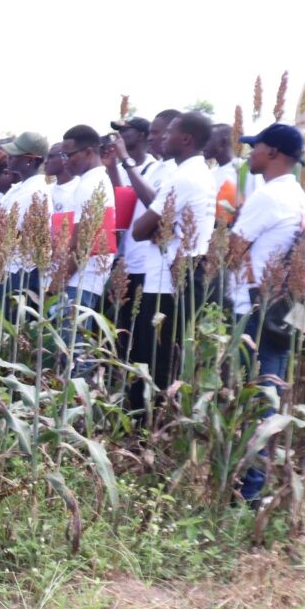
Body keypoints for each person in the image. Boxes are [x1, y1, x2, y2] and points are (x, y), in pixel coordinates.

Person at [229, 123, 305, 505]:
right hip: (281, 313)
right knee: (266, 399)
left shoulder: (270, 196)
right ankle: (253, 489)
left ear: (273, 152)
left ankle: (247, 493)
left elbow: (233, 249)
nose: (250, 153)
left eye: (255, 147)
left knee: (255, 402)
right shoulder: (298, 196)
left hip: (254, 313)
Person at [126, 111, 218, 422]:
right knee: (163, 359)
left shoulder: (183, 178)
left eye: (169, 133)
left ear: (187, 139)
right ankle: (152, 429)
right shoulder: (199, 174)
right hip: (178, 275)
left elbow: (140, 230)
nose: (163, 138)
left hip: (167, 282)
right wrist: (161, 229)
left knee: (153, 360)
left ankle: (143, 433)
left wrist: (157, 230)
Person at [54, 124, 115, 374]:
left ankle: (78, 398)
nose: (65, 161)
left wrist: (59, 278)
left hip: (82, 278)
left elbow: (82, 242)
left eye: (69, 155)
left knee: (74, 347)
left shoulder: (91, 184)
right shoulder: (92, 180)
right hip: (83, 276)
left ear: (89, 152)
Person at [106, 115, 163, 359]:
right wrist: (111, 167)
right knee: (118, 329)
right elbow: (124, 204)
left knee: (138, 332)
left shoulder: (153, 168)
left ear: (141, 135)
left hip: (145, 262)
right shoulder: (122, 167)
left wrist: (125, 161)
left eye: (124, 131)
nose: (119, 137)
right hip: (125, 259)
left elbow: (154, 202)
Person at [0, 131, 52, 304]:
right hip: (10, 268)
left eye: (15, 153)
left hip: (21, 274)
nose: (9, 156)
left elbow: (10, 230)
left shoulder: (35, 191)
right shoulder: (20, 188)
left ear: (31, 160)